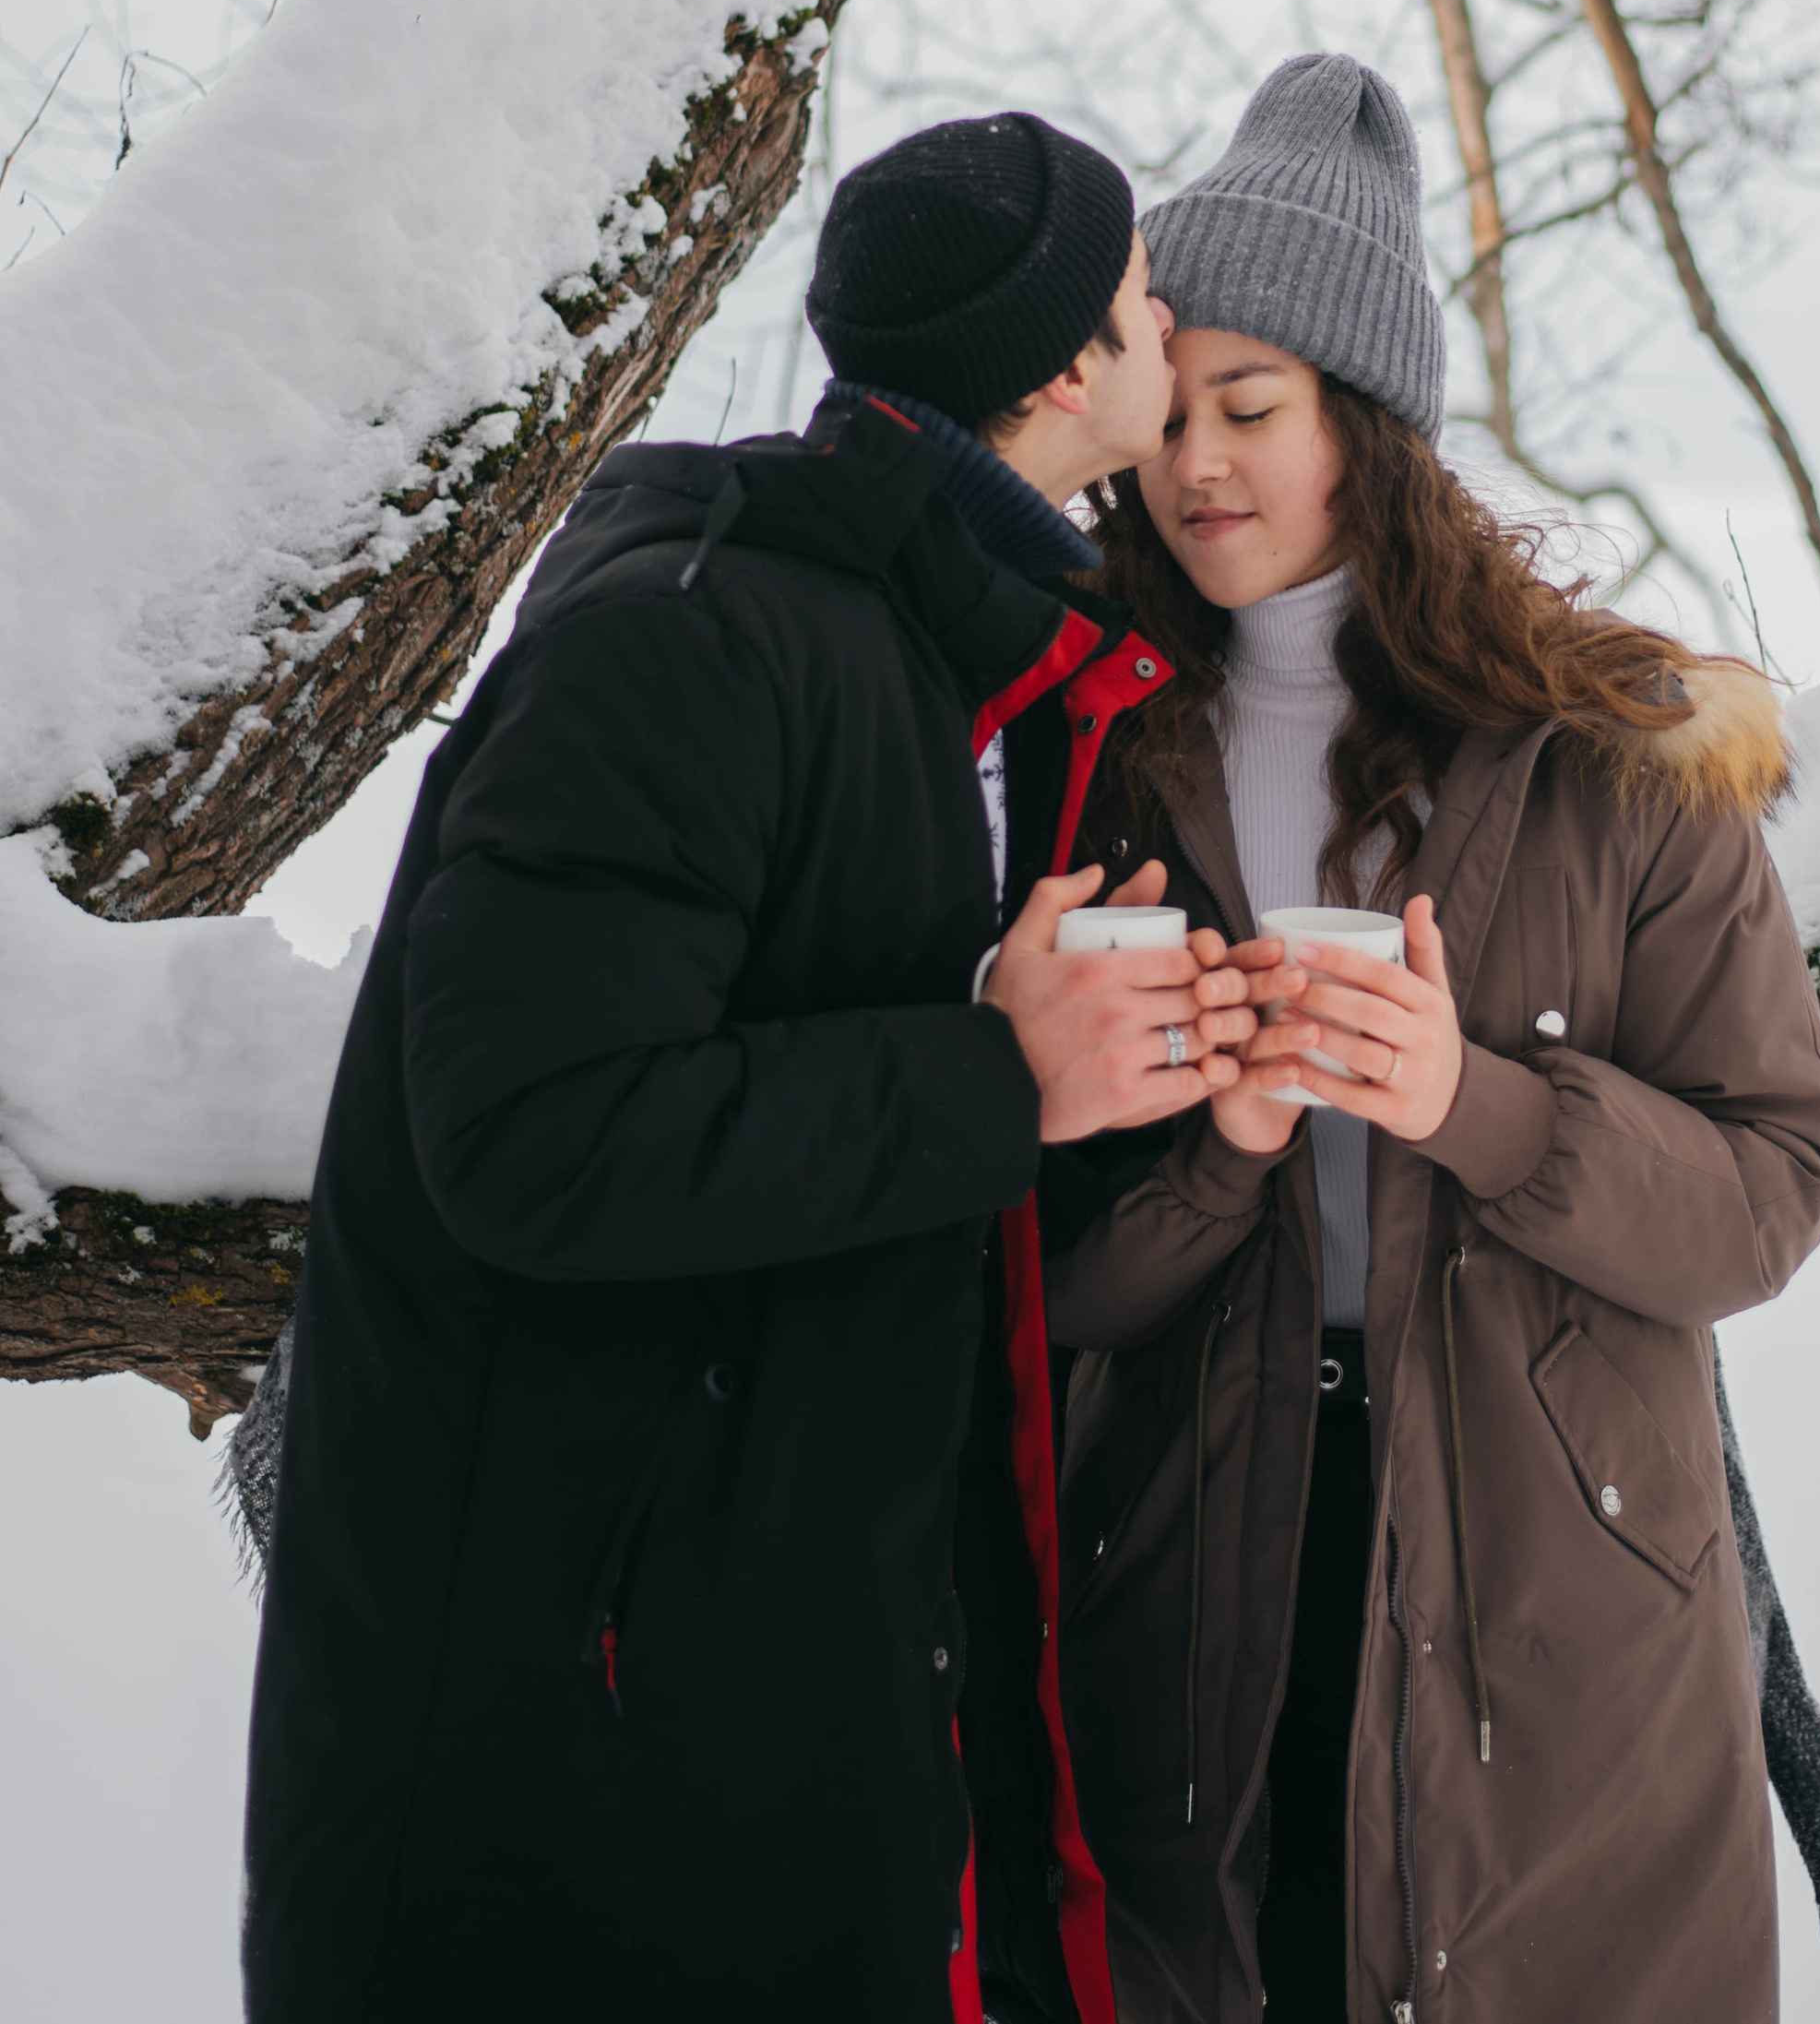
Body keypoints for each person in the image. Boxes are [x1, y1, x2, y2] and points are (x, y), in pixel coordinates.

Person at [242, 109, 1266, 2024]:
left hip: (776, 1715)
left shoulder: (928, 660)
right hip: (561, 1789)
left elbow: (842, 1149)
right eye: (1137, 290)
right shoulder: (690, 640)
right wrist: (994, 1079)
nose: (1165, 317)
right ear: (1059, 369)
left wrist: (1123, 1098)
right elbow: (534, 1140)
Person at [1041, 55, 1820, 2024]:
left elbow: (1772, 1190)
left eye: (1253, 410)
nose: (1196, 467)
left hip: (1560, 1578)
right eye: (1173, 413)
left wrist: (1467, 1103)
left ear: (1368, 428)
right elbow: (1047, 1271)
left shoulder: (1619, 753)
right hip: (1202, 1545)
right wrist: (1223, 1145)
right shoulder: (1084, 743)